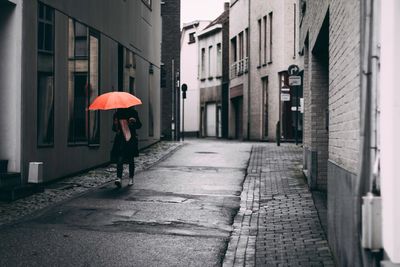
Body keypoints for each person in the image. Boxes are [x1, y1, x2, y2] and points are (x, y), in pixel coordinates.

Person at [111, 107, 142, 188]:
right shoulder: (117, 114)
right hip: (120, 139)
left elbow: (139, 125)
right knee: (120, 159)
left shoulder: (133, 112)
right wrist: (115, 125)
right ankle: (119, 178)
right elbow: (114, 129)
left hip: (130, 138)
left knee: (131, 159)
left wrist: (134, 121)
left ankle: (131, 178)